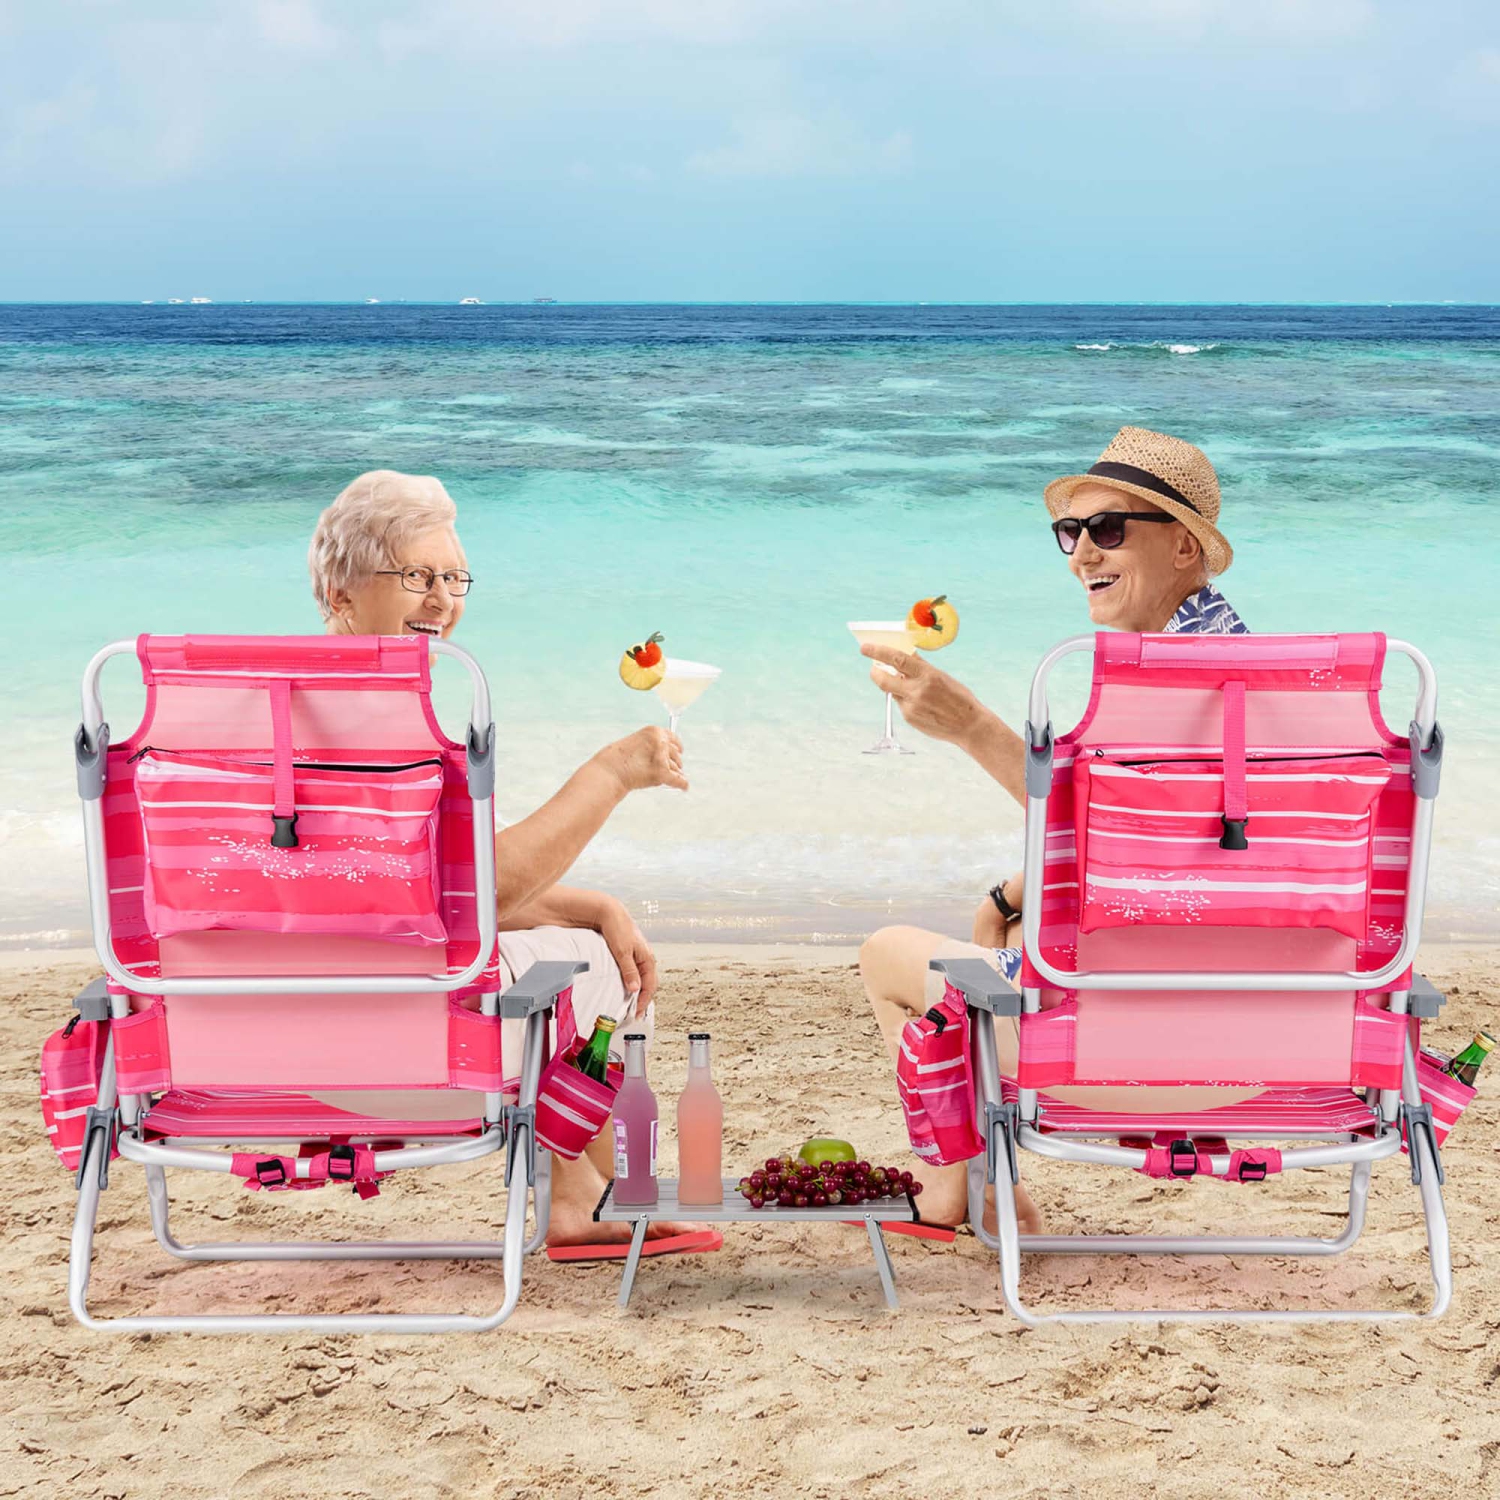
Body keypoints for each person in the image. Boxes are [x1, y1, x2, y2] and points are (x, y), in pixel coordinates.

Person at [856, 427, 1252, 1234]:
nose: (1080, 556)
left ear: (1183, 545)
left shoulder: (1182, 684)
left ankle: (964, 1192)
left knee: (888, 954)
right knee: (990, 934)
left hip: (1144, 1054)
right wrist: (1010, 893)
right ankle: (981, 1192)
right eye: (1070, 533)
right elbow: (1188, 863)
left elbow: (1115, 845)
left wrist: (970, 726)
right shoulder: (1260, 679)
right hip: (1265, 1050)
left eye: (1108, 530)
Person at [307, 470, 706, 1251]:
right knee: (592, 967)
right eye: (417, 577)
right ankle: (576, 1191)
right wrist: (611, 774)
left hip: (260, 1041)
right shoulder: (370, 724)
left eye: (454, 579)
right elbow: (465, 896)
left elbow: (397, 897)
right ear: (342, 592)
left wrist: (585, 903)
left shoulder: (277, 715)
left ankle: (586, 1191)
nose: (443, 601)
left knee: (589, 937)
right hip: (386, 1056)